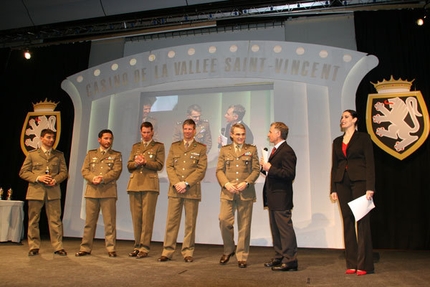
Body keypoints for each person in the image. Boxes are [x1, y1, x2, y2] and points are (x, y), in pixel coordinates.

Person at [330, 109, 375, 276]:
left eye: (346, 117)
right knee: (347, 221)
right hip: (342, 182)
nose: (342, 119)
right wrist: (333, 188)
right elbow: (334, 166)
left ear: (355, 120)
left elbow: (370, 163)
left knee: (362, 222)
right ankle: (352, 262)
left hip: (360, 182)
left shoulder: (363, 138)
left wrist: (370, 186)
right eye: (342, 117)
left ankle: (364, 264)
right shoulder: (336, 141)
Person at [158, 119, 208, 263]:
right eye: (185, 129)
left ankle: (187, 252)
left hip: (191, 190)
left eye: (190, 129)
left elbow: (201, 169)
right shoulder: (175, 146)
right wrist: (177, 183)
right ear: (182, 130)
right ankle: (167, 251)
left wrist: (186, 183)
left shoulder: (200, 148)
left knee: (190, 223)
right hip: (175, 190)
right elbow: (169, 167)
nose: (187, 131)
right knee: (171, 222)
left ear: (195, 131)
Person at [216, 123, 260, 268]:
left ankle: (242, 255)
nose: (240, 137)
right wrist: (226, 184)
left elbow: (255, 170)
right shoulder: (224, 150)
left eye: (243, 134)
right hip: (228, 192)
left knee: (244, 226)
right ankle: (229, 250)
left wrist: (246, 182)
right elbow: (219, 171)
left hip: (245, 192)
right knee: (224, 220)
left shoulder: (251, 150)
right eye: (238, 134)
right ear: (231, 135)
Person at [19, 129, 68, 256]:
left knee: (55, 220)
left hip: (53, 192)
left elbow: (64, 173)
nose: (51, 140)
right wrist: (38, 177)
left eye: (53, 137)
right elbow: (23, 172)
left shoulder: (59, 155)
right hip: (36, 191)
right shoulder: (32, 154)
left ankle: (58, 246)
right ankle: (34, 246)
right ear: (41, 138)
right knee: (33, 220)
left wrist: (55, 180)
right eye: (48, 137)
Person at [75, 129, 122, 257]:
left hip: (108, 192)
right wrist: (92, 178)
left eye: (110, 139)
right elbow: (84, 170)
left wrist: (103, 178)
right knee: (89, 222)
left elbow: (116, 171)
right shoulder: (91, 154)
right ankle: (85, 248)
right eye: (106, 138)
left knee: (109, 223)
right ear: (99, 139)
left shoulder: (116, 155)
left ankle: (111, 248)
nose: (108, 141)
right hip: (92, 192)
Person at [260, 122, 298, 271]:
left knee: (284, 229)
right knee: (275, 229)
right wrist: (265, 168)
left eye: (270, 132)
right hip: (273, 196)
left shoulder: (287, 151)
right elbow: (275, 172)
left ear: (278, 133)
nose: (268, 134)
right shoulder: (276, 150)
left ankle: (290, 260)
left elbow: (289, 174)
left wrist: (271, 168)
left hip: (281, 197)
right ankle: (279, 257)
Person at [126, 122, 165, 259]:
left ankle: (144, 247)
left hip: (150, 185)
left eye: (148, 132)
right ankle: (137, 246)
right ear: (140, 132)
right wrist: (136, 163)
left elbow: (159, 165)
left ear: (152, 132)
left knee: (147, 218)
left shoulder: (158, 146)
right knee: (136, 218)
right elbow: (129, 166)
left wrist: (145, 162)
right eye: (144, 132)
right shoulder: (136, 146)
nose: (146, 135)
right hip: (135, 184)